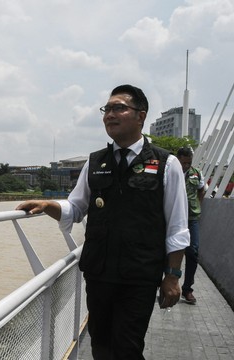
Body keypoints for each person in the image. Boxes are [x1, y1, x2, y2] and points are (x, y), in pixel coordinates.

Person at [16, 84, 190, 359]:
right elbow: (75, 207)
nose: (110, 114)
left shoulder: (165, 163)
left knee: (127, 347)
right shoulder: (96, 161)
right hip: (99, 273)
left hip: (139, 275)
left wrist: (173, 276)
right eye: (107, 109)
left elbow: (178, 227)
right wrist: (48, 205)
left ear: (140, 116)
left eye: (119, 107)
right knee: (101, 345)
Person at [176, 147, 206, 305]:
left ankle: (187, 289)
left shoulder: (197, 173)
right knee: (168, 251)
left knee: (193, 251)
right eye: (183, 163)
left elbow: (201, 190)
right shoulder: (171, 171)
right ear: (178, 159)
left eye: (189, 163)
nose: (186, 166)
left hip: (191, 218)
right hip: (173, 217)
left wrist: (197, 207)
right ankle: (165, 284)